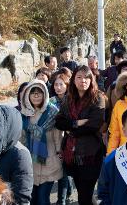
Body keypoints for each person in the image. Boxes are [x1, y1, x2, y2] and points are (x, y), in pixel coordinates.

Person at [55, 65, 105, 205]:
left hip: (91, 154)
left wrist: (72, 129)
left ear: (92, 80)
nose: (83, 80)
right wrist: (76, 123)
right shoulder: (68, 99)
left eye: (87, 77)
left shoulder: (98, 98)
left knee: (85, 195)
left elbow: (95, 124)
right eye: (79, 77)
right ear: (73, 80)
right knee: (81, 192)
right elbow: (59, 122)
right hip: (71, 154)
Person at [20, 80, 62, 205]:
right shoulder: (24, 114)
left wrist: (59, 152)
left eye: (39, 92)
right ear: (27, 95)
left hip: (49, 160)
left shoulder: (52, 112)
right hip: (30, 163)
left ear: (45, 94)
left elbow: (57, 135)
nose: (36, 95)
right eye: (33, 93)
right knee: (32, 200)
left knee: (43, 199)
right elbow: (21, 138)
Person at [48, 73, 74, 205]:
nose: (58, 87)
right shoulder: (51, 101)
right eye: (56, 84)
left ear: (67, 85)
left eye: (61, 84)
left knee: (65, 168)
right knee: (61, 168)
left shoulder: (72, 100)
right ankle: (64, 195)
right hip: (54, 138)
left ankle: (62, 199)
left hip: (68, 138)